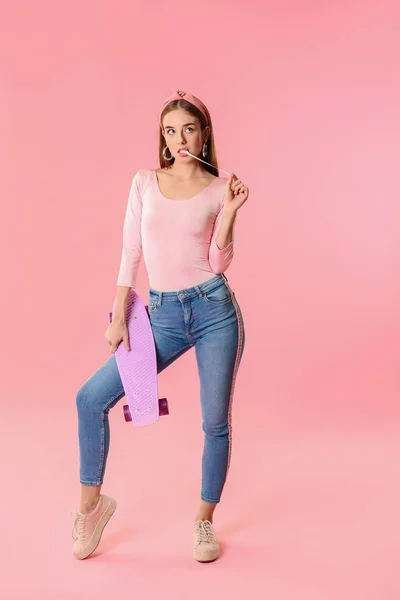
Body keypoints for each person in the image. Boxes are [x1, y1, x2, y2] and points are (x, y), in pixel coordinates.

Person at [71, 90, 249, 562]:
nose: (178, 139)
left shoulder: (220, 186)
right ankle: (91, 507)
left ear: (204, 133)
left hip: (214, 311)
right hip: (161, 316)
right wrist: (118, 314)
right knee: (90, 399)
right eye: (170, 130)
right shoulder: (145, 181)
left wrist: (229, 213)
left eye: (188, 128)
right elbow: (131, 250)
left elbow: (217, 260)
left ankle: (204, 522)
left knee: (215, 423)